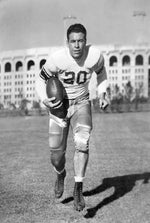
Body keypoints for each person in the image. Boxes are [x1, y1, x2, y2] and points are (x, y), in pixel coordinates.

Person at [36, 23, 108, 211]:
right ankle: (60, 174)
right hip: (59, 107)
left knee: (82, 142)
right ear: (67, 42)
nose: (77, 45)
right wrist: (45, 99)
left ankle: (78, 187)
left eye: (80, 41)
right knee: (56, 156)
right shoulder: (57, 59)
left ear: (86, 41)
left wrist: (103, 93)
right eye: (73, 41)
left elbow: (101, 73)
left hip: (81, 103)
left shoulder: (94, 56)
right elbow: (40, 79)